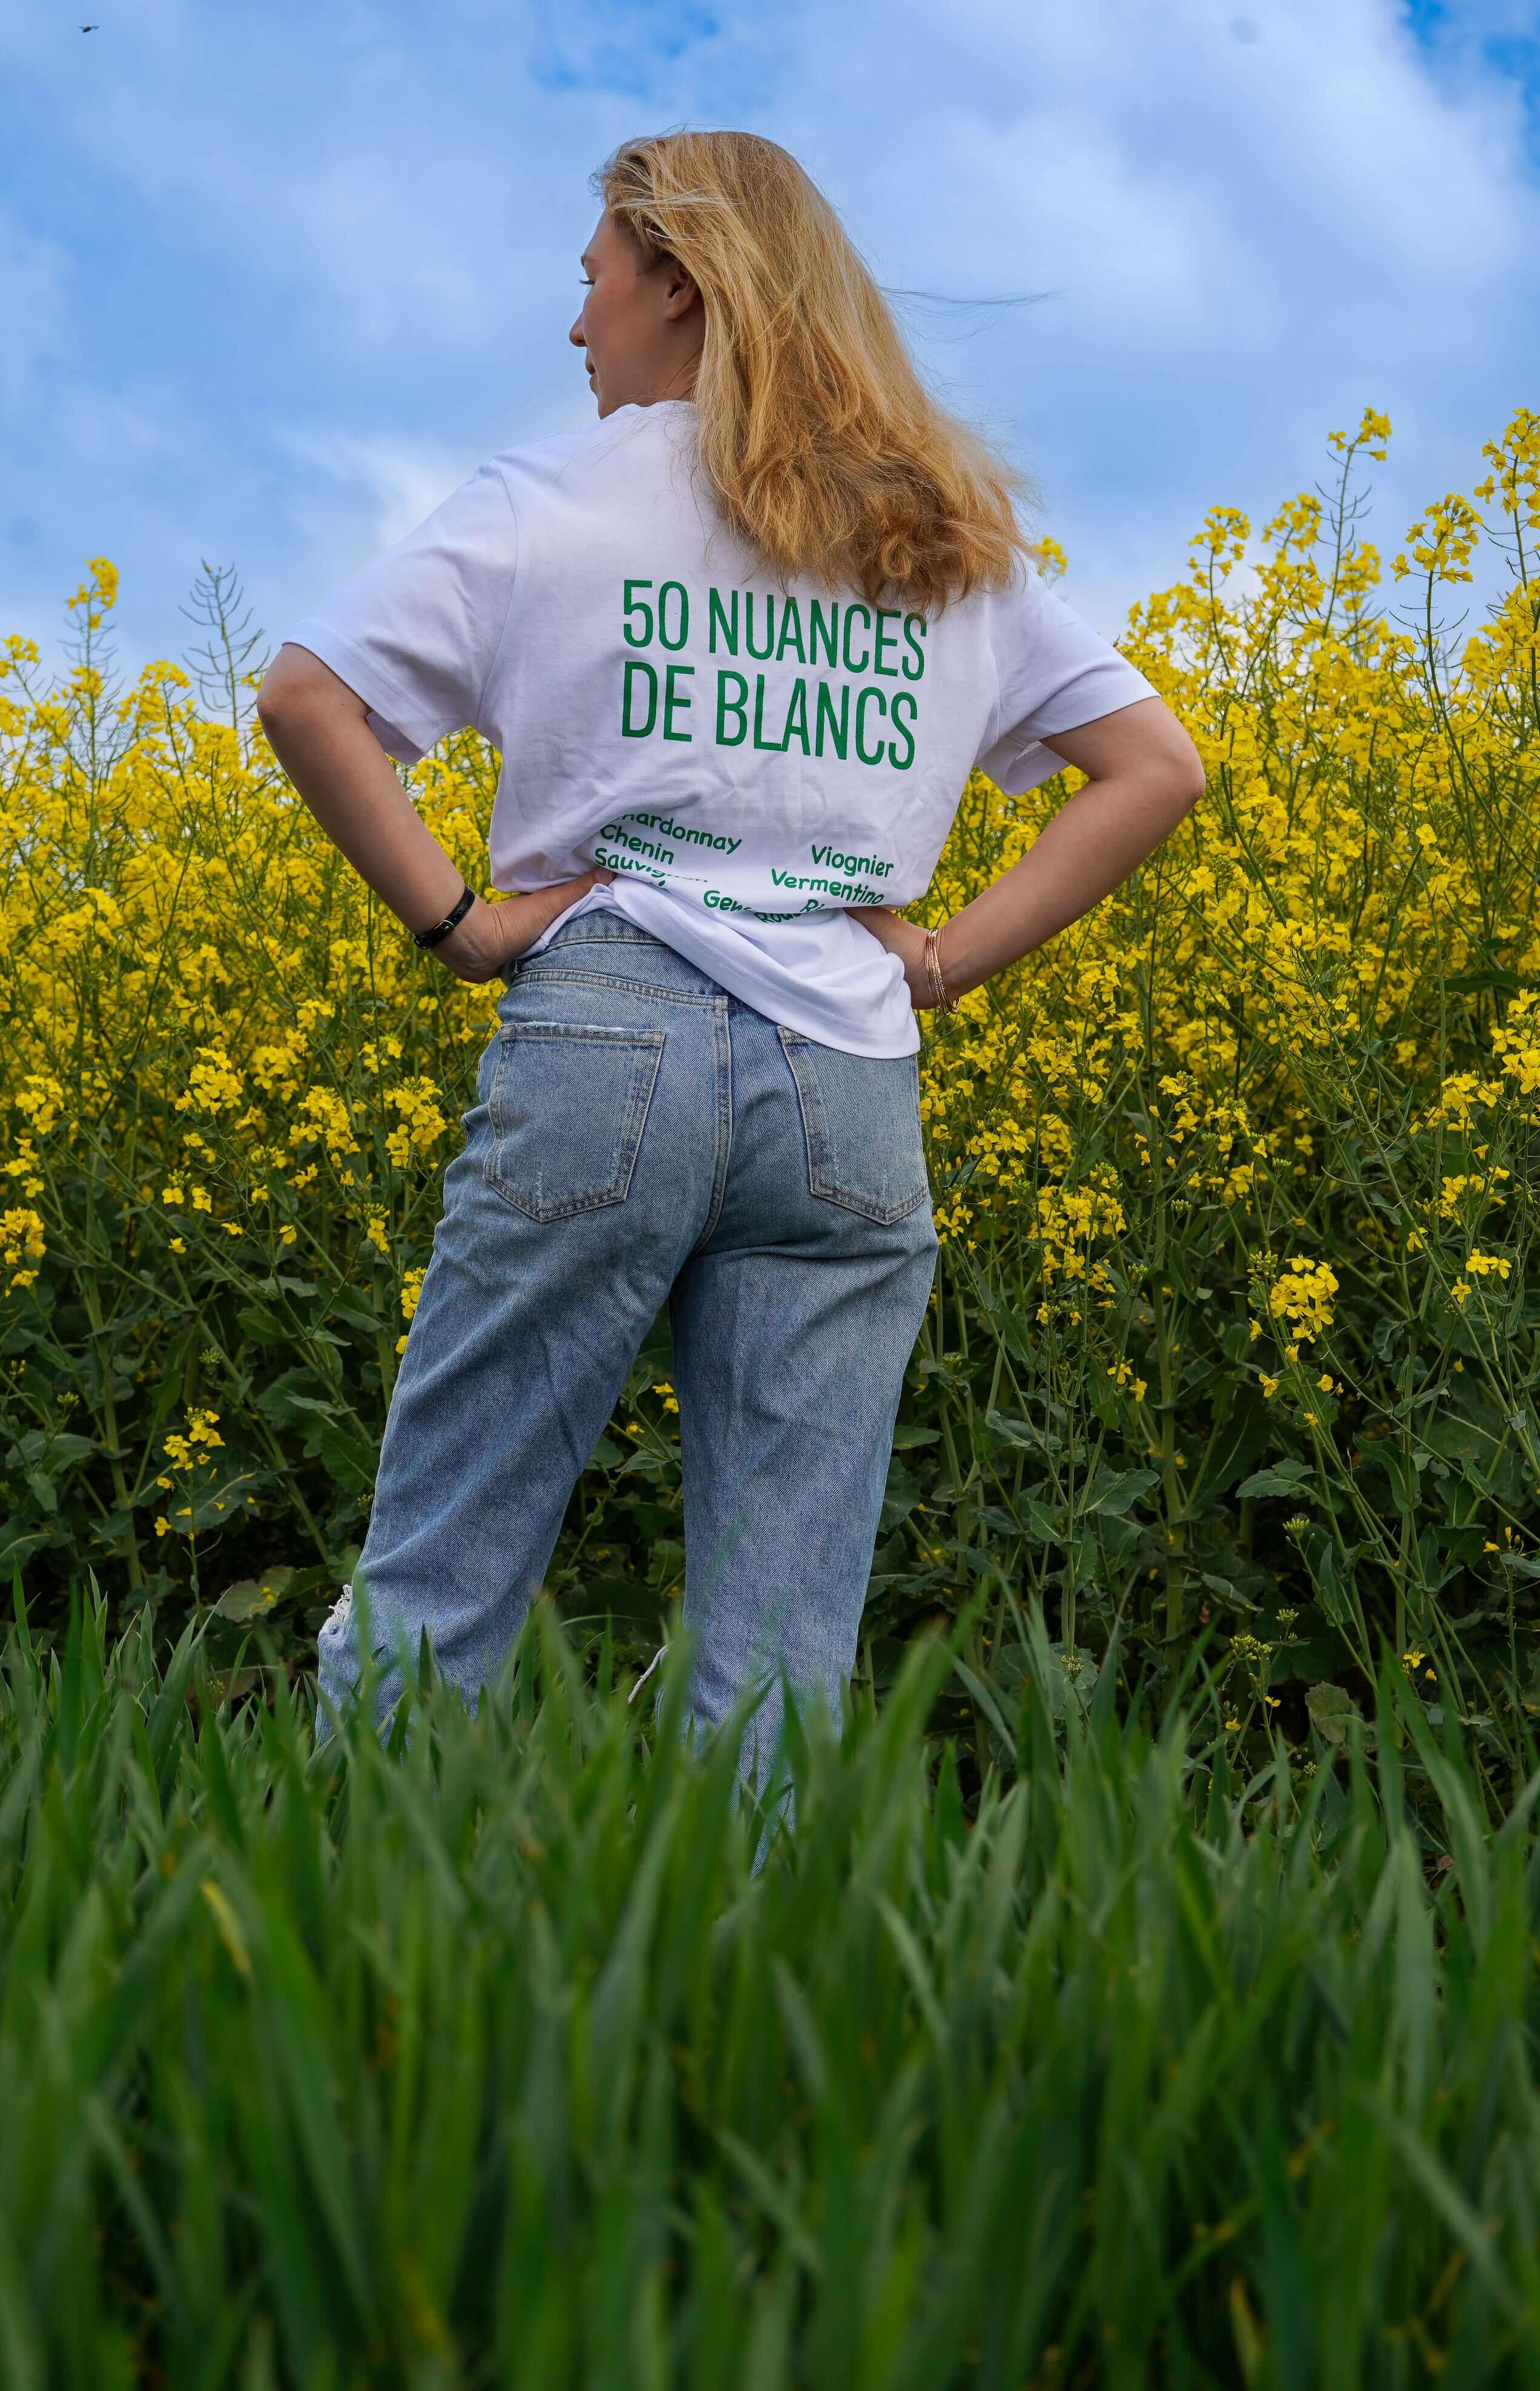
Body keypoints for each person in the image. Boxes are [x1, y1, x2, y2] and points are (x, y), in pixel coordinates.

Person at [257, 129, 1203, 1785]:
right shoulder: (941, 535)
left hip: (607, 1037)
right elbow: (1156, 769)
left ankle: (355, 1981)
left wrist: (459, 926)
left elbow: (305, 697)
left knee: (444, 1578)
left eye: (593, 284)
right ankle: (752, 2025)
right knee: (781, 1667)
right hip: (846, 1084)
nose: (579, 332)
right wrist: (945, 959)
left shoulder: (550, 503)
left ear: (678, 282)